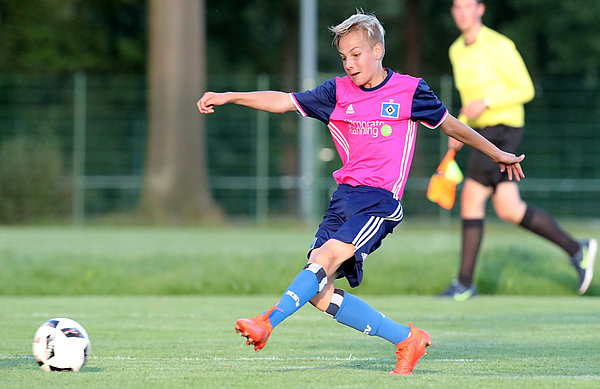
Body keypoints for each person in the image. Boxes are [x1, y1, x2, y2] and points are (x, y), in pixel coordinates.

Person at [197, 11, 524, 375]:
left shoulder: (410, 90)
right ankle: (406, 338)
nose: (349, 64)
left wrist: (496, 152)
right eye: (343, 57)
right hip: (343, 200)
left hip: (380, 202)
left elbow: (452, 125)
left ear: (378, 50)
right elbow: (284, 101)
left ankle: (268, 320)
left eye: (356, 54)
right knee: (318, 293)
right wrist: (230, 96)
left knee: (326, 258)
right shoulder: (335, 92)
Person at [439, 0, 597, 301]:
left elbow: (525, 88)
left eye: (467, 6)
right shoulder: (456, 49)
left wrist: (485, 102)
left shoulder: (500, 45)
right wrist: (459, 129)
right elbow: (469, 101)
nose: (462, 12)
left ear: (480, 9)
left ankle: (464, 284)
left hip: (503, 127)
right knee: (509, 209)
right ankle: (578, 249)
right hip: (480, 130)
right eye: (456, 7)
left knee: (472, 198)